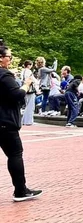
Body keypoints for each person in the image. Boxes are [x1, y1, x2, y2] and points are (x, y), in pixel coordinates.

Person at [0, 45, 42, 202]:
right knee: (15, 154)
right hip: (5, 121)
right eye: (9, 57)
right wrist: (26, 84)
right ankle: (20, 190)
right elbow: (17, 95)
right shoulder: (4, 75)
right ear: (1, 58)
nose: (10, 60)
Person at [21, 60, 36, 126]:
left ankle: (24, 120)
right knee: (31, 105)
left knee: (27, 105)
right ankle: (29, 121)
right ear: (29, 65)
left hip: (25, 89)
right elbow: (33, 80)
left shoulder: (22, 71)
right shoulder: (29, 72)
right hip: (30, 89)